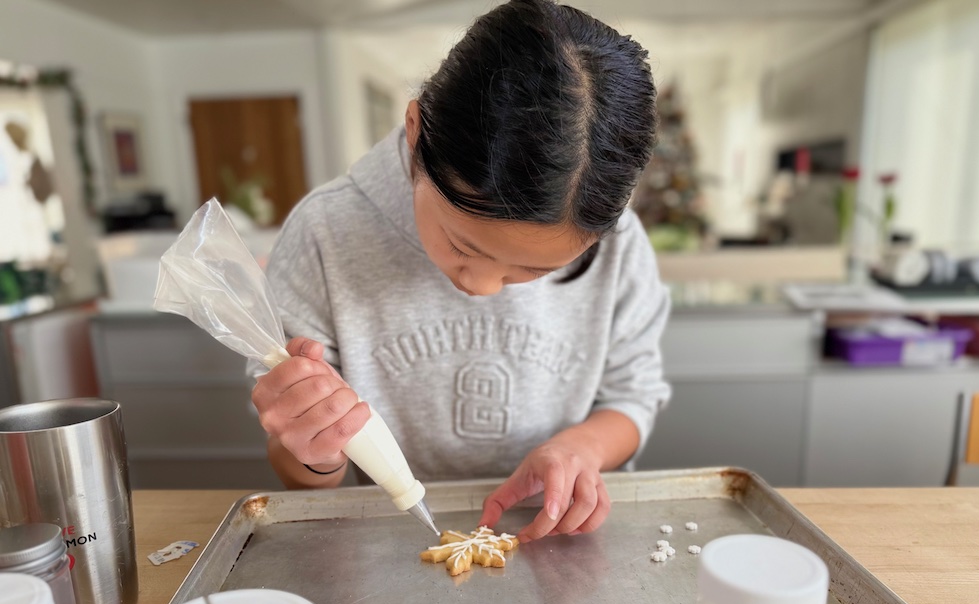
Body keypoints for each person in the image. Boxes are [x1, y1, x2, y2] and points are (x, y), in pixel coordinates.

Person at [250, 0, 671, 543]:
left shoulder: (620, 243)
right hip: (388, 539)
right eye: (461, 245)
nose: (481, 287)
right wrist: (313, 451)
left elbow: (632, 396)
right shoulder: (323, 233)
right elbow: (300, 474)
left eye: (533, 269)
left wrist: (580, 448)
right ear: (415, 131)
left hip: (559, 537)